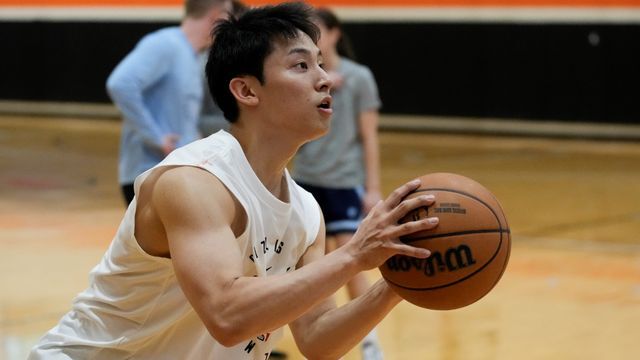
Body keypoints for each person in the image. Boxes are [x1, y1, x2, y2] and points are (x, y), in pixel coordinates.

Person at [28, 3, 439, 359]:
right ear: (245, 90)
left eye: (321, 63)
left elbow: (317, 340)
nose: (324, 78)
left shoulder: (305, 211)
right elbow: (226, 315)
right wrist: (353, 256)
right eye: (301, 65)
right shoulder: (194, 180)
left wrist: (396, 284)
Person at [291, 8, 385, 359]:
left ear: (334, 34)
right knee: (313, 264)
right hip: (306, 179)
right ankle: (321, 329)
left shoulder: (359, 78)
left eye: (317, 31)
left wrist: (372, 187)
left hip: (344, 180)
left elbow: (369, 136)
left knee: (353, 259)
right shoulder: (300, 78)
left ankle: (370, 339)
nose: (312, 37)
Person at [106, 0, 232, 205]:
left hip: (177, 173)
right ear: (216, 16)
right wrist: (155, 137)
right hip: (149, 174)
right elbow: (121, 84)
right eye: (227, 17)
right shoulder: (165, 44)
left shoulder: (194, 56)